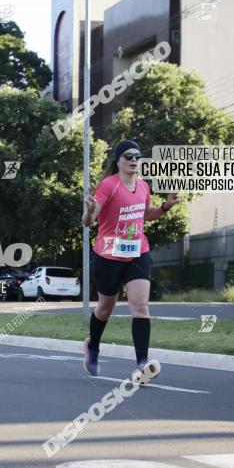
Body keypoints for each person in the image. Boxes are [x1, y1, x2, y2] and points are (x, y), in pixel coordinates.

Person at [81, 140, 179, 383]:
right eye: (128, 156)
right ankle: (92, 347)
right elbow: (88, 221)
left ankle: (142, 364)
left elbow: (146, 215)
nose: (134, 159)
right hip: (108, 254)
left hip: (137, 251)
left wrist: (165, 206)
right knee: (105, 308)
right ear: (118, 160)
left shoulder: (144, 186)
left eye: (138, 155)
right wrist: (89, 210)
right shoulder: (109, 186)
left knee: (141, 306)